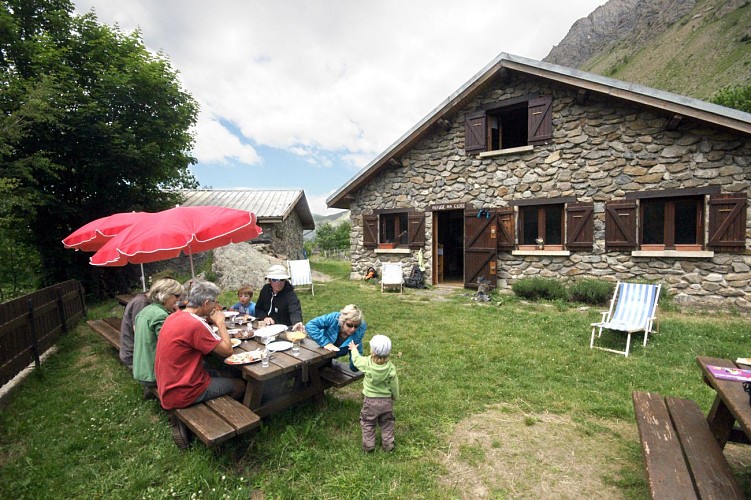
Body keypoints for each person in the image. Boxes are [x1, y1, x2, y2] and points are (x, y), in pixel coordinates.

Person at [154, 280, 245, 410]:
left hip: (168, 384)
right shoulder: (195, 324)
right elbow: (227, 351)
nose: (216, 306)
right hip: (182, 391)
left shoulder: (174, 316)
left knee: (223, 372)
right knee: (240, 384)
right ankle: (227, 418)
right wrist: (220, 323)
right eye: (215, 302)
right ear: (206, 303)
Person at [132, 279, 184, 396]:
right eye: (176, 296)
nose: (178, 300)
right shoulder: (160, 315)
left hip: (141, 369)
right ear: (165, 295)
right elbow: (172, 347)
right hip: (154, 374)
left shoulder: (145, 311)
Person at [349, 334, 399, 452]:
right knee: (387, 423)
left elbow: (356, 360)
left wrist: (354, 350)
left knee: (368, 422)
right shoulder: (391, 368)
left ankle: (369, 446)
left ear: (372, 350)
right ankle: (388, 445)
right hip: (386, 401)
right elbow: (394, 385)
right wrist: (395, 396)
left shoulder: (367, 363)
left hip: (370, 401)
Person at [306, 304, 366, 371]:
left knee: (313, 371)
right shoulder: (334, 318)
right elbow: (310, 325)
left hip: (328, 357)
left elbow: (355, 367)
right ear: (342, 321)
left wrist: (356, 359)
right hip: (316, 346)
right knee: (307, 368)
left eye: (356, 326)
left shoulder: (357, 334)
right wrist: (326, 343)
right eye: (349, 325)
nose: (353, 329)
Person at [255, 264, 304, 331]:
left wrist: (297, 322)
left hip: (283, 330)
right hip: (265, 327)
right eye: (275, 280)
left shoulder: (289, 294)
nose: (279, 283)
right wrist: (264, 317)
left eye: (282, 280)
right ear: (270, 280)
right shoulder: (265, 290)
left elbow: (295, 310)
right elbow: (258, 309)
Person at [119, 291, 151, 369]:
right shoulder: (141, 303)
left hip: (130, 352)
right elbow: (139, 332)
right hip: (133, 357)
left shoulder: (141, 298)